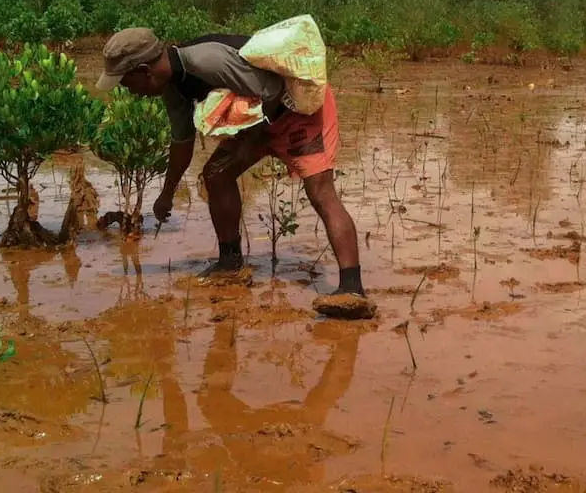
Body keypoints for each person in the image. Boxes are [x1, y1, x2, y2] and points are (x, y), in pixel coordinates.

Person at [95, 27, 376, 319]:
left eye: (127, 83)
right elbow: (182, 141)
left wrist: (247, 145)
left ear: (144, 71)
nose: (131, 92)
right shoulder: (172, 87)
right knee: (216, 175)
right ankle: (230, 262)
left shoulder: (207, 61)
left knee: (320, 191)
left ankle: (352, 288)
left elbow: (272, 90)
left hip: (296, 112)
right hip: (256, 124)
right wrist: (166, 194)